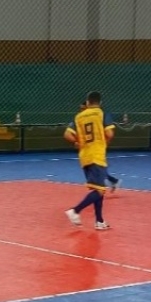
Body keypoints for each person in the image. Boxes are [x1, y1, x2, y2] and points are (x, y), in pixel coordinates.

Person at [64, 92, 115, 230]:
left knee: (99, 189)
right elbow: (110, 133)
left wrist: (77, 143)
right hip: (97, 155)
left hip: (84, 156)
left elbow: (67, 134)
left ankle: (99, 221)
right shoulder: (102, 114)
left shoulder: (79, 116)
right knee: (99, 190)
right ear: (100, 102)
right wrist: (105, 144)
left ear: (87, 102)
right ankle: (75, 211)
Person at [79, 102, 121, 192]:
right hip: (90, 148)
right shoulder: (83, 118)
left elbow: (108, 133)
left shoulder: (99, 116)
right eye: (81, 109)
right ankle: (113, 181)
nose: (81, 110)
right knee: (98, 168)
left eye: (83, 108)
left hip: (97, 147)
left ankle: (102, 186)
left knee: (97, 167)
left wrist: (104, 144)